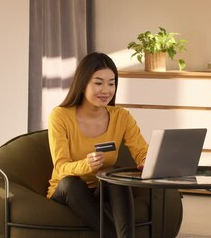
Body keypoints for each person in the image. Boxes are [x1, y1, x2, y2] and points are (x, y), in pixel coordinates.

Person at [46, 52, 148, 238]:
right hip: (67, 191)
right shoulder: (60, 116)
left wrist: (147, 160)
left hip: (101, 190)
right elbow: (60, 168)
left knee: (115, 174)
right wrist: (86, 164)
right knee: (72, 184)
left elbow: (142, 151)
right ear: (83, 83)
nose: (106, 90)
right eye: (98, 83)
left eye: (111, 83)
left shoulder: (121, 117)